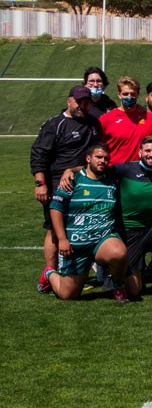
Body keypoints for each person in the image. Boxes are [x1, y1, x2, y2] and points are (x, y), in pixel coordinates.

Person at [59, 136, 152, 298]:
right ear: (140, 152)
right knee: (134, 291)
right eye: (148, 150)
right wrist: (70, 170)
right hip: (128, 233)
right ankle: (111, 273)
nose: (151, 154)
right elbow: (96, 167)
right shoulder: (125, 169)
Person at [31, 85, 102, 290]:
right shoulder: (56, 125)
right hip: (57, 184)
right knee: (55, 229)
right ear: (69, 101)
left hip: (85, 182)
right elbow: (39, 154)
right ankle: (51, 273)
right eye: (79, 101)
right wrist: (40, 183)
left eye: (87, 102)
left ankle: (75, 273)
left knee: (80, 226)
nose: (83, 105)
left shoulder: (94, 124)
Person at [39, 143, 130, 303]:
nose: (102, 161)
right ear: (88, 159)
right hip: (76, 245)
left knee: (119, 252)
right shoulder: (72, 180)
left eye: (106, 158)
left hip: (102, 239)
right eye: (98, 157)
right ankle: (48, 273)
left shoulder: (111, 183)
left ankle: (117, 286)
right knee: (68, 296)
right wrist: (62, 239)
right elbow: (55, 208)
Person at [99, 76, 152, 165]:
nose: (129, 97)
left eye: (132, 94)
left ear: (137, 94)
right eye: (125, 94)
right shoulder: (106, 119)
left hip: (139, 173)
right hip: (114, 172)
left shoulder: (150, 118)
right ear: (119, 95)